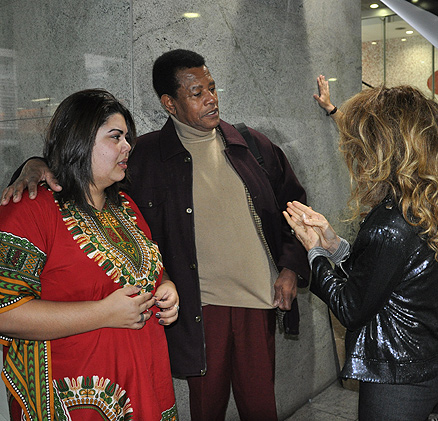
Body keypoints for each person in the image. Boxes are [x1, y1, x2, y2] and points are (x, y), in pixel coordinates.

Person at [2, 49, 309, 420]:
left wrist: (167, 284)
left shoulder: (251, 148)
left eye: (212, 87)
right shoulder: (145, 158)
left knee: (262, 407)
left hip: (233, 319)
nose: (211, 98)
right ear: (170, 103)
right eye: (197, 92)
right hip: (100, 381)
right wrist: (35, 164)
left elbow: (294, 209)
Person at [0, 89, 179, 420]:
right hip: (75, 400)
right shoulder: (29, 210)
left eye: (128, 137)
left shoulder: (126, 208)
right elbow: (5, 313)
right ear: (79, 140)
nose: (127, 146)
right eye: (115, 137)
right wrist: (102, 314)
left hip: (144, 385)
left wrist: (165, 286)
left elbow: (149, 270)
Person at [283, 85, 438, 420]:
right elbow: (384, 275)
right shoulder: (420, 204)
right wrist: (333, 243)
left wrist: (313, 251)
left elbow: (351, 307)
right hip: (422, 361)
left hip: (395, 378)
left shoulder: (391, 222)